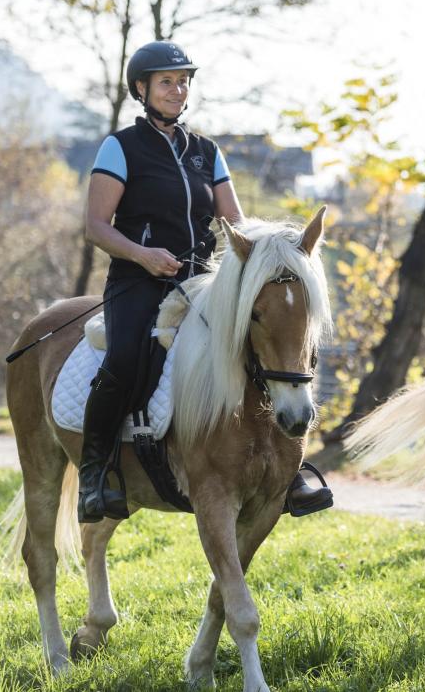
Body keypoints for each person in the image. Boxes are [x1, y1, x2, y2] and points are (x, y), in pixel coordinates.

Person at [78, 40, 331, 522]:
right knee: (126, 357)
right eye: (167, 82)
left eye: (184, 81)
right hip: (138, 280)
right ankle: (95, 474)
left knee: (267, 349)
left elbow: (234, 222)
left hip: (201, 282)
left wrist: (269, 251)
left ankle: (286, 469)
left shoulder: (207, 152)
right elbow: (96, 225)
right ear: (142, 88)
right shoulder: (121, 147)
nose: (178, 90)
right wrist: (142, 255)